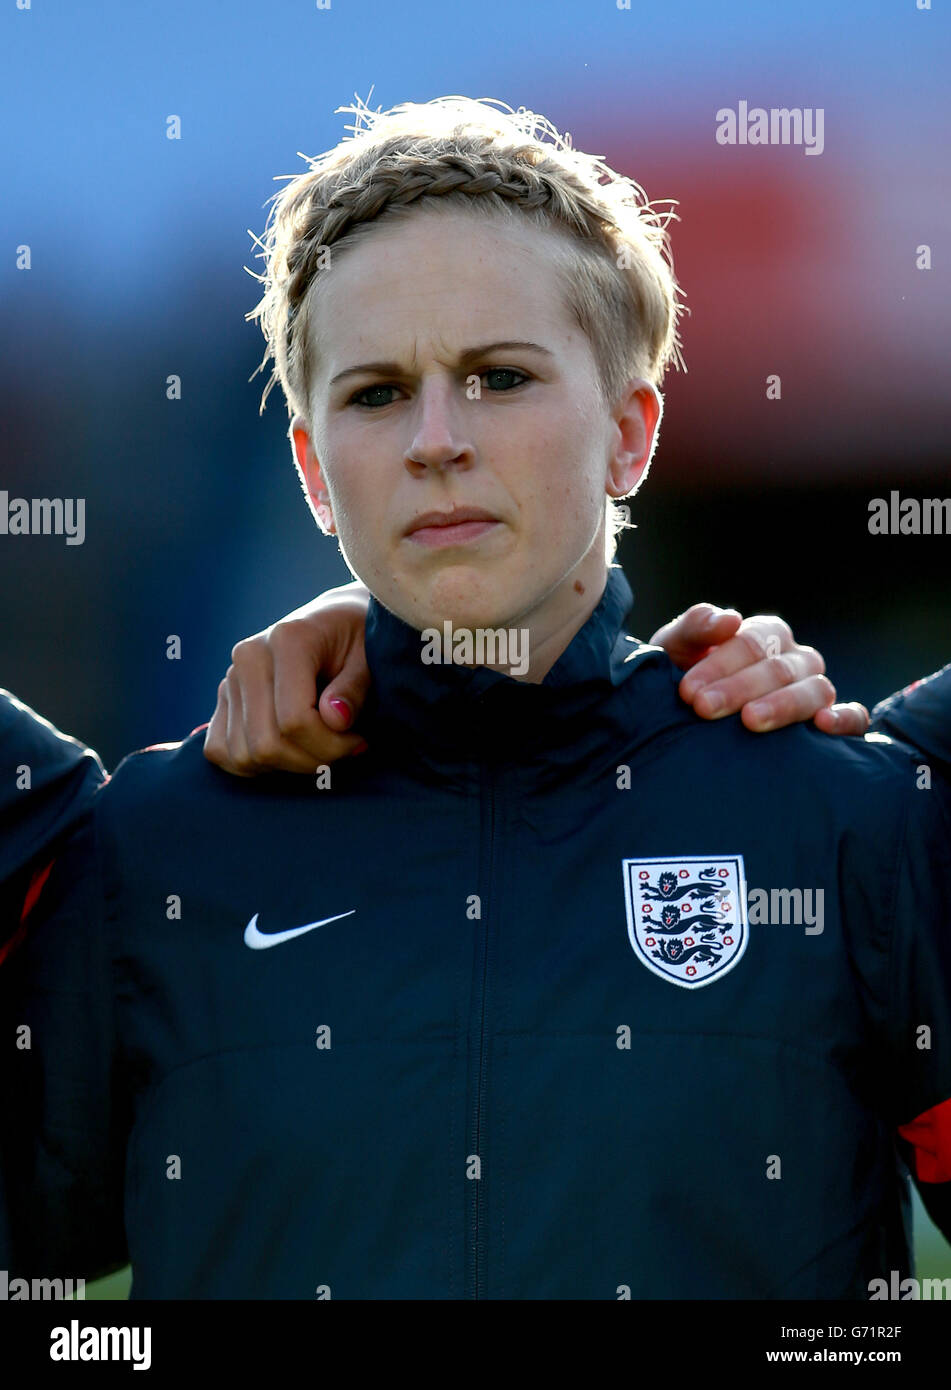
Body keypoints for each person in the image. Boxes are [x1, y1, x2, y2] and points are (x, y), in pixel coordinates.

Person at [1, 95, 949, 1300]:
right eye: (377, 393)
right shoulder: (144, 854)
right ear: (312, 470)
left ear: (630, 432)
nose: (435, 439)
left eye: (499, 377)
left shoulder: (853, 822)